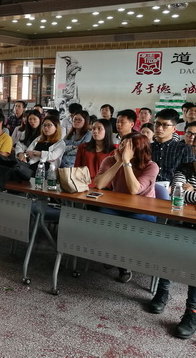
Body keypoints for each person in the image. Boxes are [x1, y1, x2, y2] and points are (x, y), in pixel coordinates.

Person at [93, 132, 159, 283]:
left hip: (142, 210)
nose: (123, 147)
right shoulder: (110, 160)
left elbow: (134, 190)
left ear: (139, 148)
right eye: (122, 143)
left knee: (126, 229)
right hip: (117, 207)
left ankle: (123, 264)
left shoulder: (151, 166)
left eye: (128, 146)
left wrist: (126, 162)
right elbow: (99, 184)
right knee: (101, 219)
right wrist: (118, 163)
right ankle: (114, 255)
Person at [153, 160, 196, 339]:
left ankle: (192, 311)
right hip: (180, 222)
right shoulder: (184, 169)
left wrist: (191, 191)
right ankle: (162, 291)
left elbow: (185, 194)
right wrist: (188, 192)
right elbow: (177, 193)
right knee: (170, 249)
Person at [151, 109, 195, 182]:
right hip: (148, 187)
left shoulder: (184, 149)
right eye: (157, 123)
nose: (159, 128)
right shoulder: (146, 147)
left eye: (165, 125)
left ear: (174, 129)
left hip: (175, 187)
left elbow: (189, 175)